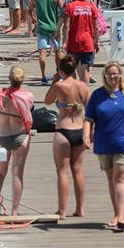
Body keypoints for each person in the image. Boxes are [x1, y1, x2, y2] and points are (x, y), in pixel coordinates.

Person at [83, 61, 124, 232]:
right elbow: (89, 119)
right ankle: (116, 214)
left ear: (120, 74)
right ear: (105, 76)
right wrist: (86, 134)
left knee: (120, 176)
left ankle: (122, 217)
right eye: (109, 74)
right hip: (104, 142)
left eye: (115, 73)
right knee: (112, 180)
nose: (112, 77)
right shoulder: (97, 95)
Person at [44, 55, 90, 220]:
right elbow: (90, 111)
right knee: (77, 171)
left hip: (63, 131)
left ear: (61, 71)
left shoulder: (58, 86)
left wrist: (54, 81)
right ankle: (80, 209)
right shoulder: (83, 86)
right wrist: (89, 134)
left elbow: (47, 101)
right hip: (79, 130)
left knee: (62, 173)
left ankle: (62, 211)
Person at [0, 66, 34, 216]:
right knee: (17, 174)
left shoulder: (0, 95)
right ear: (22, 80)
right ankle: (14, 212)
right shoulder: (28, 96)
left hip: (2, 137)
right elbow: (29, 117)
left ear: (9, 78)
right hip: (20, 137)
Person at [58, 0, 99, 84]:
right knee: (85, 70)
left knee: (71, 69)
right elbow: (96, 27)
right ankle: (84, 95)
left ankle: (74, 95)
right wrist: (96, 42)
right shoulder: (92, 7)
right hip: (88, 43)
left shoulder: (70, 7)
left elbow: (67, 26)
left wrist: (64, 42)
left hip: (73, 43)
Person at [28, 0, 62, 84]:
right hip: (54, 27)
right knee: (57, 51)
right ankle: (59, 73)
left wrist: (34, 20)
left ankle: (43, 77)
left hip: (41, 27)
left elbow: (29, 11)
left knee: (42, 51)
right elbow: (62, 12)